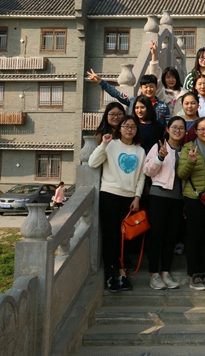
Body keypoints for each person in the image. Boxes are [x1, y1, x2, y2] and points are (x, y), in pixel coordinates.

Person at [88, 115, 146, 293]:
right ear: (119, 128)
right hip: (110, 195)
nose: (129, 129)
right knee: (111, 236)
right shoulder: (111, 145)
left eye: (133, 127)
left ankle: (123, 273)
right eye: (126, 126)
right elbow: (92, 163)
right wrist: (103, 145)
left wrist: (137, 197)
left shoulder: (140, 151)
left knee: (126, 237)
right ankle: (110, 274)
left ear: (137, 130)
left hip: (129, 199)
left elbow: (142, 176)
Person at [178, 117, 205, 291]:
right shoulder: (188, 148)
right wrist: (190, 161)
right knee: (194, 237)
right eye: (202, 129)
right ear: (195, 131)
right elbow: (181, 174)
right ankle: (193, 274)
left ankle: (203, 272)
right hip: (194, 198)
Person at [143, 116, 187, 290]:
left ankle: (166, 273)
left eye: (181, 128)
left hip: (177, 199)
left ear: (185, 132)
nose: (177, 131)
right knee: (156, 235)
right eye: (174, 127)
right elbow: (148, 171)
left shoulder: (185, 150)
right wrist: (160, 158)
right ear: (167, 129)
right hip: (159, 196)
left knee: (171, 237)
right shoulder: (158, 146)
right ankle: (154, 274)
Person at [88, 69, 170, 127]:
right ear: (141, 88)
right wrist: (100, 82)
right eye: (146, 87)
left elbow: (167, 126)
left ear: (156, 88)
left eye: (151, 86)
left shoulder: (163, 106)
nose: (149, 89)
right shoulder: (133, 101)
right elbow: (117, 94)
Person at [147, 40, 187, 116]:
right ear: (164, 79)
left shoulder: (184, 93)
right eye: (168, 77)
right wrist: (154, 55)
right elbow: (155, 75)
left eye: (173, 77)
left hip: (179, 122)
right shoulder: (161, 91)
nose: (171, 80)